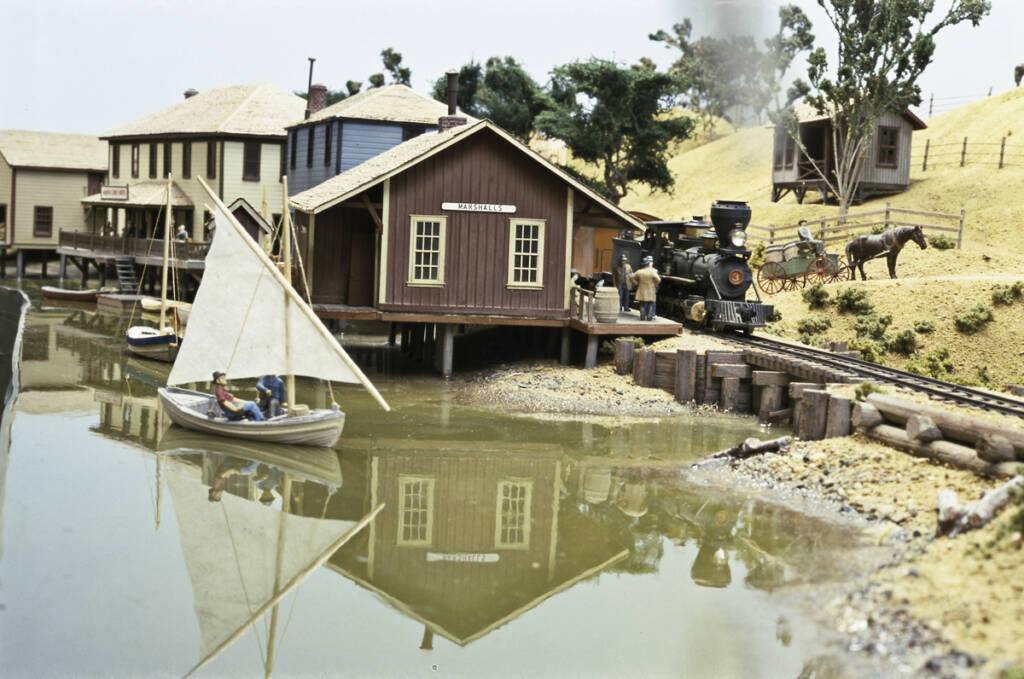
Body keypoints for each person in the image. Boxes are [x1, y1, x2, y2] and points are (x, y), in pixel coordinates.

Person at [630, 256, 661, 321]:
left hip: (641, 289)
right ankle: (649, 317)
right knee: (650, 304)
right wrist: (654, 284)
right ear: (649, 263)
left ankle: (642, 317)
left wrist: (637, 283)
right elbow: (658, 279)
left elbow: (631, 277)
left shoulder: (639, 271)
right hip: (650, 290)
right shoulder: (653, 272)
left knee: (642, 304)